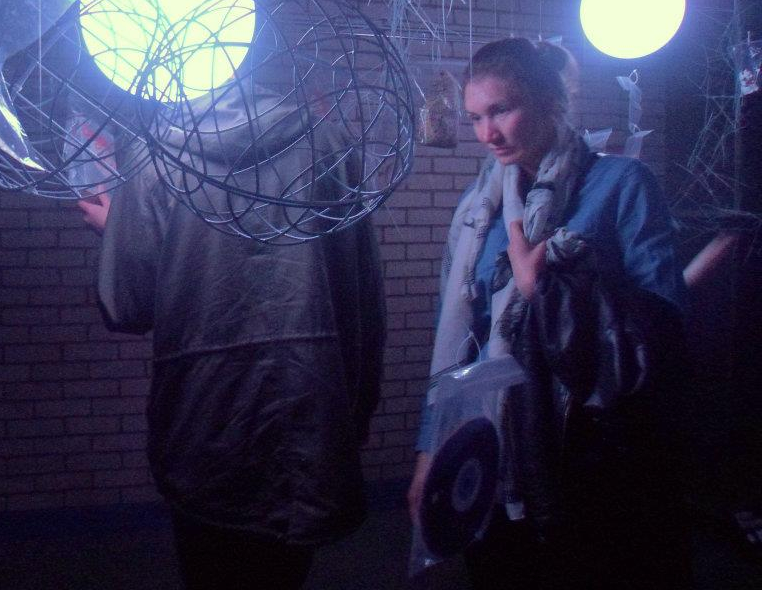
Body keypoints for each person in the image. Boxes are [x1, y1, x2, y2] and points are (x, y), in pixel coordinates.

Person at [407, 37, 691, 589]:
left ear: (549, 102)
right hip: (490, 449)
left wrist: (548, 290)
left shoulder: (621, 184)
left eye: (501, 110)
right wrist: (428, 450)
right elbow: (457, 340)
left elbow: (663, 328)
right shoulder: (480, 209)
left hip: (588, 454)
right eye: (475, 117)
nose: (487, 134)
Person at [84, 87, 387, 590]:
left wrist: (119, 229)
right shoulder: (329, 144)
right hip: (307, 418)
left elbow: (126, 305)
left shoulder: (155, 154)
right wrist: (357, 413)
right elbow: (365, 298)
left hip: (204, 426)